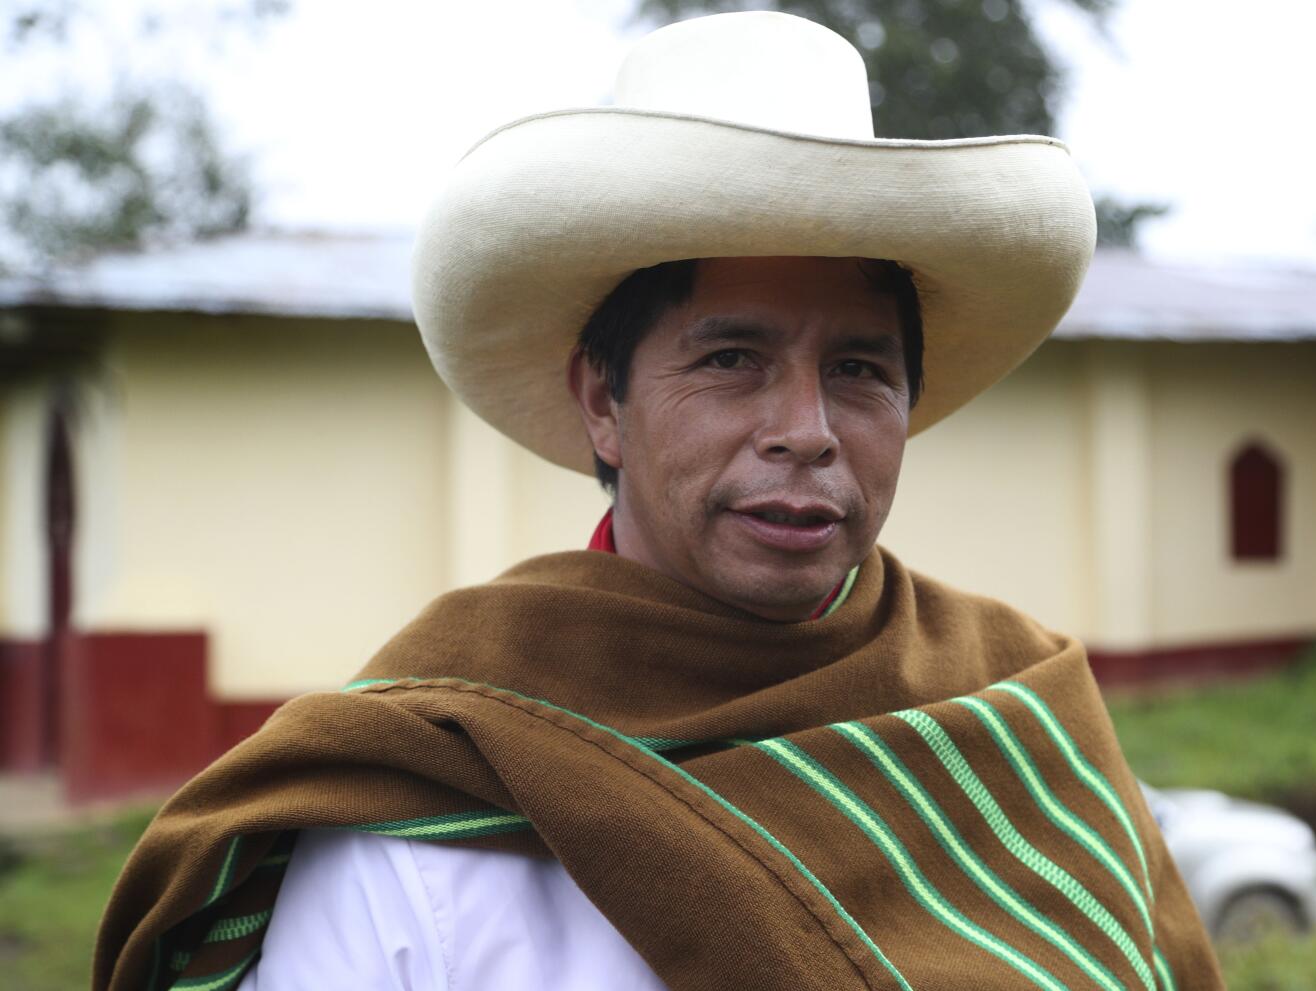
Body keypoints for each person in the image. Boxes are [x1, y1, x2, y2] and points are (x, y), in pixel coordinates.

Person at [95, 12, 1224, 991]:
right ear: (603, 399)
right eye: (731, 358)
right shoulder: (416, 811)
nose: (807, 427)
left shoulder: (1021, 726)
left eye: (861, 368)